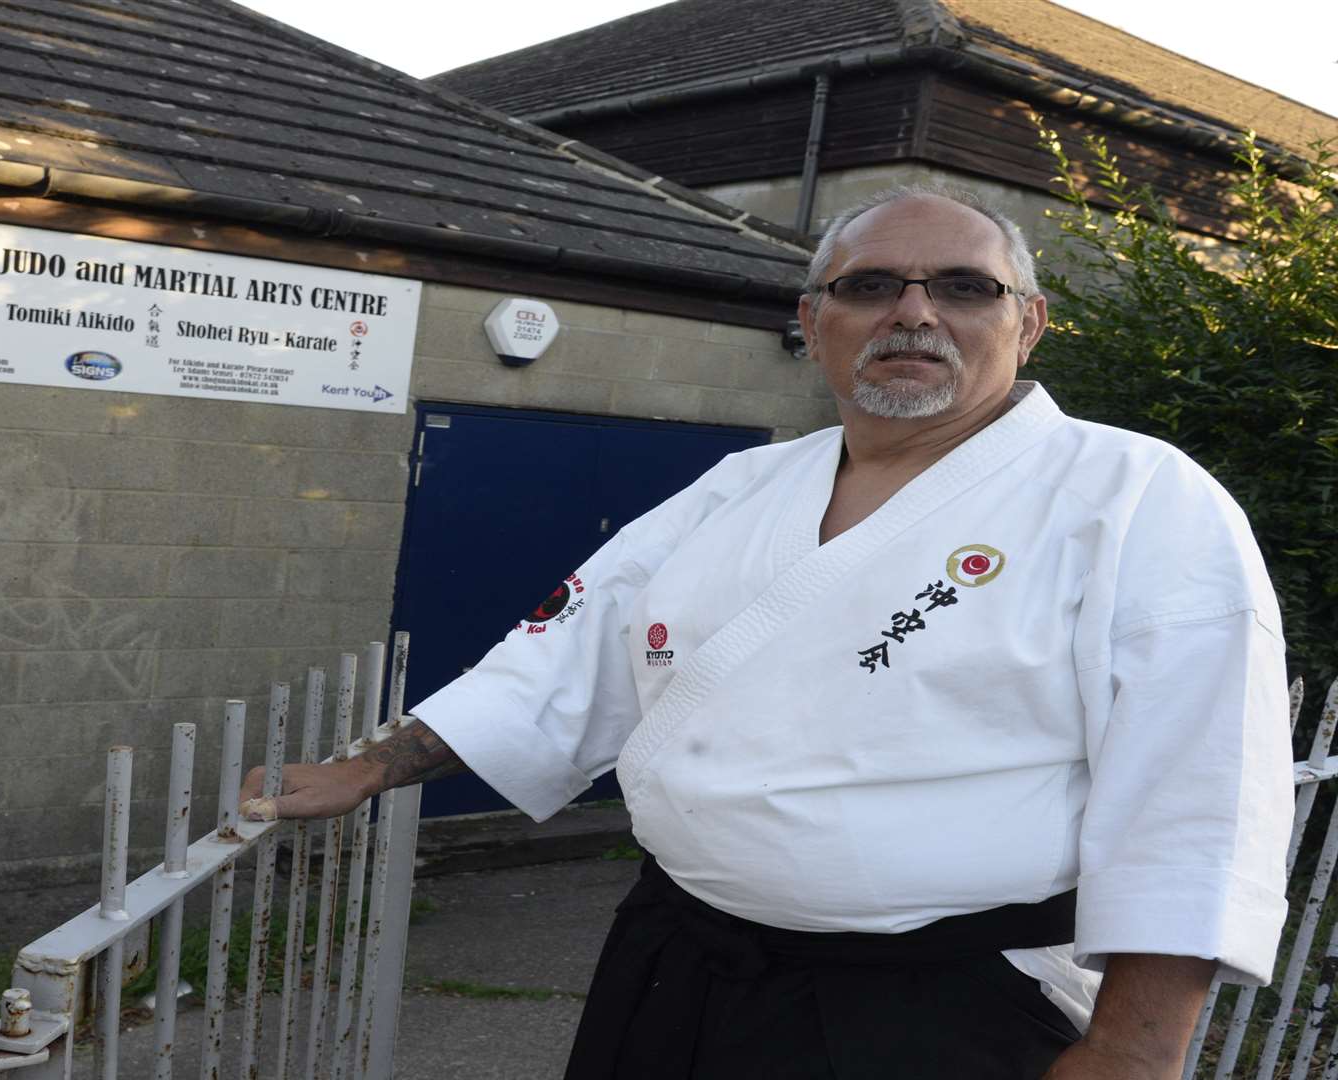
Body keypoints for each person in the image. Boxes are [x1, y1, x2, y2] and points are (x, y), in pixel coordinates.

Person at [240, 187, 1292, 1079]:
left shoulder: (1139, 497)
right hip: (677, 961)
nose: (914, 312)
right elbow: (575, 649)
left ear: (1030, 321)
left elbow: (1197, 793)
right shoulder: (741, 486)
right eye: (870, 285)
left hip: (936, 1009)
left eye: (965, 287)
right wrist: (375, 766)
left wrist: (1130, 1057)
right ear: (813, 318)